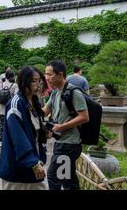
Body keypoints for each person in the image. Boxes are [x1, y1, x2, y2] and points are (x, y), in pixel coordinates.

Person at [0, 66, 48, 190]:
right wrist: (33, 163)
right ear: (24, 82)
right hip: (18, 171)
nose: (38, 84)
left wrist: (44, 133)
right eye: (34, 81)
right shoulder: (16, 104)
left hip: (35, 165)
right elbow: (18, 138)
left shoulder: (34, 101)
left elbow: (33, 131)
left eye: (39, 81)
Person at [43, 60, 89, 190]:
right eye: (45, 74)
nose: (46, 78)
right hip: (61, 142)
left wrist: (61, 127)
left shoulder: (74, 92)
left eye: (49, 74)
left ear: (60, 74)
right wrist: (28, 102)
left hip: (70, 144)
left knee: (53, 176)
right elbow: (45, 111)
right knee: (67, 178)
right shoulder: (55, 92)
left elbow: (84, 117)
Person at [0, 69, 19, 147]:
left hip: (1, 109)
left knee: (1, 125)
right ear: (12, 77)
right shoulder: (15, 85)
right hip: (10, 109)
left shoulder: (0, 85)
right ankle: (10, 140)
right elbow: (16, 97)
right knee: (10, 125)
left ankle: (1, 141)